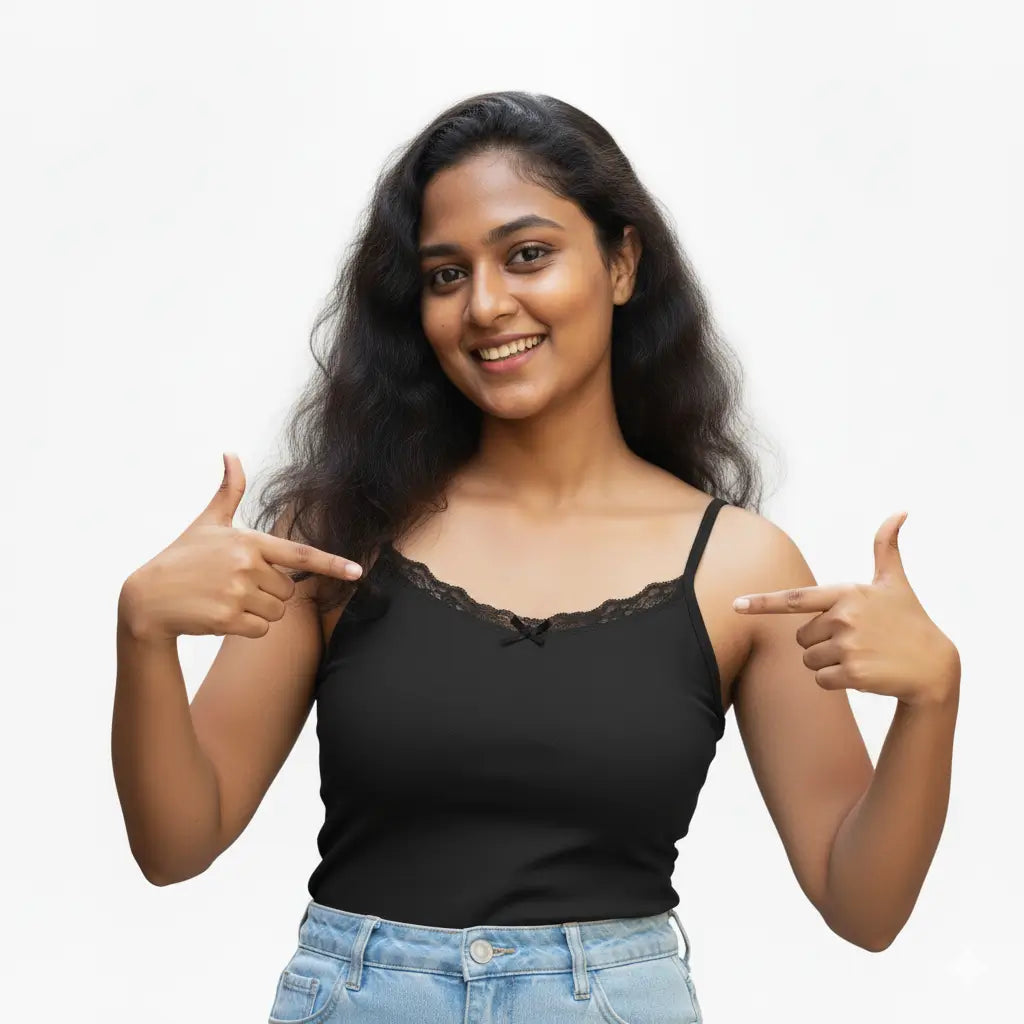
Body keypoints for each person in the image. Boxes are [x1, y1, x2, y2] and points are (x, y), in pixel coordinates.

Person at [112, 90, 959, 1023]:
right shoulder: (335, 537)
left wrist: (931, 700)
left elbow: (864, 907)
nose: (484, 305)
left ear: (622, 261)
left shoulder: (739, 566)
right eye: (444, 275)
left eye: (528, 255)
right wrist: (143, 635)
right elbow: (174, 846)